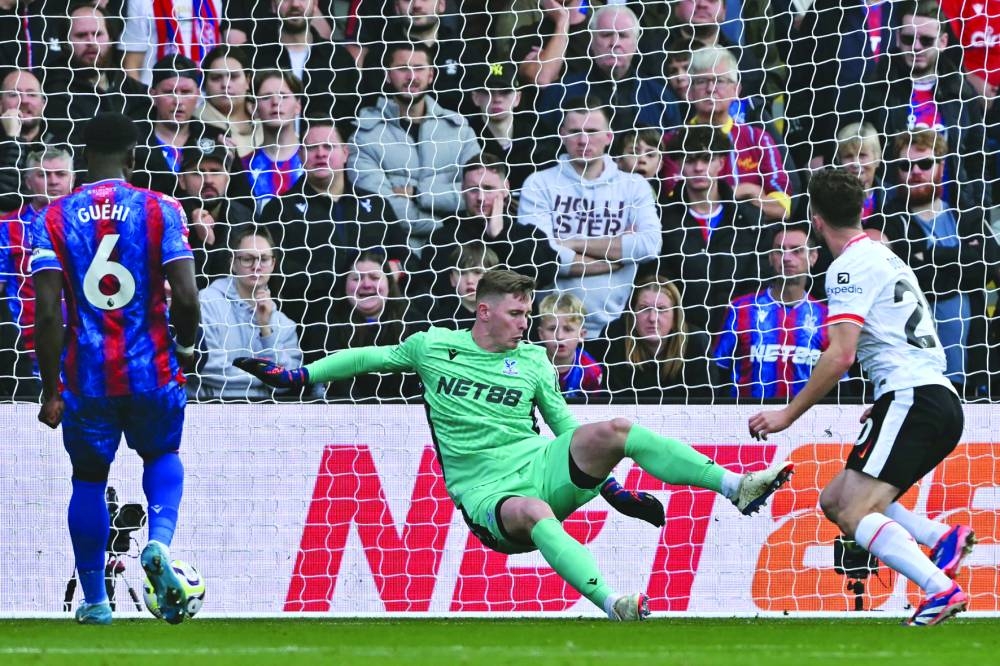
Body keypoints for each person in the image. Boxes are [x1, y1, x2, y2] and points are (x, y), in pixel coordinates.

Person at [234, 268, 794, 620]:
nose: (527, 324)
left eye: (529, 313)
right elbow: (366, 359)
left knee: (616, 431)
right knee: (534, 511)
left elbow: (565, 428)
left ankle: (735, 486)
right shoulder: (434, 347)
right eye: (518, 313)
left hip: (539, 464)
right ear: (484, 311)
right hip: (487, 496)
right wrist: (302, 377)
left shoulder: (531, 361)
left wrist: (612, 488)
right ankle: (613, 604)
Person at [748, 168, 977, 627]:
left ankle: (939, 589)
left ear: (815, 219)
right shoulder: (885, 255)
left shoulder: (847, 267)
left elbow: (840, 355)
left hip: (915, 397)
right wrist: (890, 396)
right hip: (926, 395)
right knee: (836, 500)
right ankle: (939, 536)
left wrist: (787, 415)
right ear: (861, 209)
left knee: (855, 511)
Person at [30, 111, 201, 625]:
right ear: (133, 156)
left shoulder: (53, 218)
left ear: (83, 158)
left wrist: (50, 389)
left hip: (89, 376)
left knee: (87, 480)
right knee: (162, 454)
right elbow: (188, 298)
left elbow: (46, 312)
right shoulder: (161, 209)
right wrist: (186, 348)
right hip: (152, 369)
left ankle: (96, 602)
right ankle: (160, 543)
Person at [518, 96, 661, 337]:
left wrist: (573, 243)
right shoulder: (538, 183)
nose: (583, 140)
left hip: (614, 330)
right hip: (550, 330)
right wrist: (613, 259)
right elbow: (538, 256)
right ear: (562, 134)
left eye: (592, 131)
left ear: (609, 136)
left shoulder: (634, 186)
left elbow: (649, 245)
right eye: (575, 131)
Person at [877, 129, 1000, 395]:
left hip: (973, 366)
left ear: (942, 165)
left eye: (924, 163)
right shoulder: (886, 220)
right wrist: (960, 260)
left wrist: (929, 256)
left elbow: (987, 267)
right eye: (905, 165)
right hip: (911, 369)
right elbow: (911, 277)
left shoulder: (967, 216)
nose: (915, 172)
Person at [349, 42, 480, 255]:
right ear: (387, 75)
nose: (412, 76)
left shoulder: (459, 129)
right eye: (403, 68)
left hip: (458, 254)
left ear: (431, 75)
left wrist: (419, 193)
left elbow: (477, 192)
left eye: (419, 68)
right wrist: (444, 225)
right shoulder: (365, 134)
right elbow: (381, 207)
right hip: (397, 254)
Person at [713, 222, 830, 399]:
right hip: (746, 420)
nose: (787, 258)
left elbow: (837, 383)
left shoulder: (826, 316)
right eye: (779, 250)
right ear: (770, 257)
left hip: (806, 422)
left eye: (796, 250)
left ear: (813, 257)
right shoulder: (741, 309)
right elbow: (717, 372)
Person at [194, 227, 306, 400]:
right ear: (233, 263)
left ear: (273, 264)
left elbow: (286, 384)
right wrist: (266, 377)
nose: (256, 266)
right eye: (247, 259)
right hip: (209, 411)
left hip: (263, 418)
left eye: (264, 259)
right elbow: (205, 366)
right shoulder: (206, 302)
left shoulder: (284, 324)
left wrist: (266, 330)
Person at [601, 276, 716, 401]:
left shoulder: (695, 342)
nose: (652, 318)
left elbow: (705, 402)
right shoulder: (615, 337)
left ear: (675, 317)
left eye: (661, 309)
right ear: (633, 315)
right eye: (644, 309)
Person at [535, 292, 603, 399]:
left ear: (581, 335)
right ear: (541, 334)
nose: (559, 336)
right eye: (552, 329)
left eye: (568, 329)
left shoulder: (591, 370)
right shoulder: (532, 365)